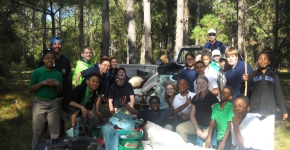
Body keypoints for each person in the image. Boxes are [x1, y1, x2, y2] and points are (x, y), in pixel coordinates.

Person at [242, 52, 288, 149]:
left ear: (269, 61)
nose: (263, 60)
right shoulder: (252, 74)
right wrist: (244, 81)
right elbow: (245, 91)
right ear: (257, 62)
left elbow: (278, 93)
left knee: (268, 137)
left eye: (265, 58)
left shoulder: (274, 75)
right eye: (260, 58)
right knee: (254, 136)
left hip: (269, 111)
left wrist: (283, 110)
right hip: (254, 110)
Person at [37, 37, 72, 137]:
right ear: (51, 45)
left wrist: (68, 93)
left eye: (59, 44)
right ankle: (43, 135)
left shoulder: (65, 60)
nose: (57, 46)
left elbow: (68, 78)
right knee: (44, 119)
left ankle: (59, 138)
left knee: (61, 118)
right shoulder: (43, 60)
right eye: (55, 44)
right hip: (47, 95)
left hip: (61, 95)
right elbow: (38, 74)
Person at [30, 50, 62, 149]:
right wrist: (41, 83)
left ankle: (54, 147)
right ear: (43, 60)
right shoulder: (37, 72)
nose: (50, 60)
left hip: (53, 103)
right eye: (47, 58)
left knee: (55, 130)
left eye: (52, 58)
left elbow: (59, 92)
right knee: (37, 130)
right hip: (39, 103)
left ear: (54, 60)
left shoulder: (58, 74)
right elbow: (31, 89)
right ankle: (36, 147)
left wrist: (57, 85)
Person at [176, 75, 219, 147]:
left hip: (208, 127)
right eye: (199, 83)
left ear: (208, 83)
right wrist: (197, 129)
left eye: (203, 82)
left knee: (204, 146)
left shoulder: (212, 98)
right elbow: (192, 115)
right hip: (197, 125)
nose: (201, 85)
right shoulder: (195, 97)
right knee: (179, 128)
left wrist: (207, 132)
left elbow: (216, 117)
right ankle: (186, 147)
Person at [120, 96, 191, 128]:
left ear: (159, 104)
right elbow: (133, 111)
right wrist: (124, 105)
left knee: (169, 126)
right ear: (150, 105)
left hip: (161, 133)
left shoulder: (164, 111)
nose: (154, 105)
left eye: (156, 103)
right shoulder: (146, 112)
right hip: (151, 133)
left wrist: (187, 103)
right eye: (152, 103)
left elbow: (177, 110)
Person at [205, 85, 234, 150]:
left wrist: (223, 141)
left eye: (226, 92)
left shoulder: (231, 107)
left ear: (230, 97)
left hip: (228, 137)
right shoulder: (215, 107)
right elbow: (212, 122)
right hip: (219, 137)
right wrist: (209, 137)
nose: (223, 93)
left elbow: (229, 125)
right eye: (222, 91)